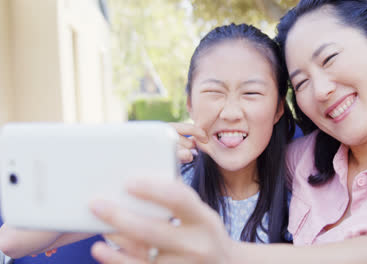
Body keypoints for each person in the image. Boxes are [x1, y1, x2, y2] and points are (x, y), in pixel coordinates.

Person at [88, 0, 367, 263]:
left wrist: (225, 254)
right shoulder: (306, 160)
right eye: (301, 82)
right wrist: (148, 156)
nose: (320, 90)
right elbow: (234, 154)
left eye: (330, 58)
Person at [0, 23, 294, 259]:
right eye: (214, 92)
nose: (230, 112)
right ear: (189, 102)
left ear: (279, 107)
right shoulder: (160, 184)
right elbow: (12, 241)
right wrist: (128, 161)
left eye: (251, 93)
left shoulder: (305, 193)